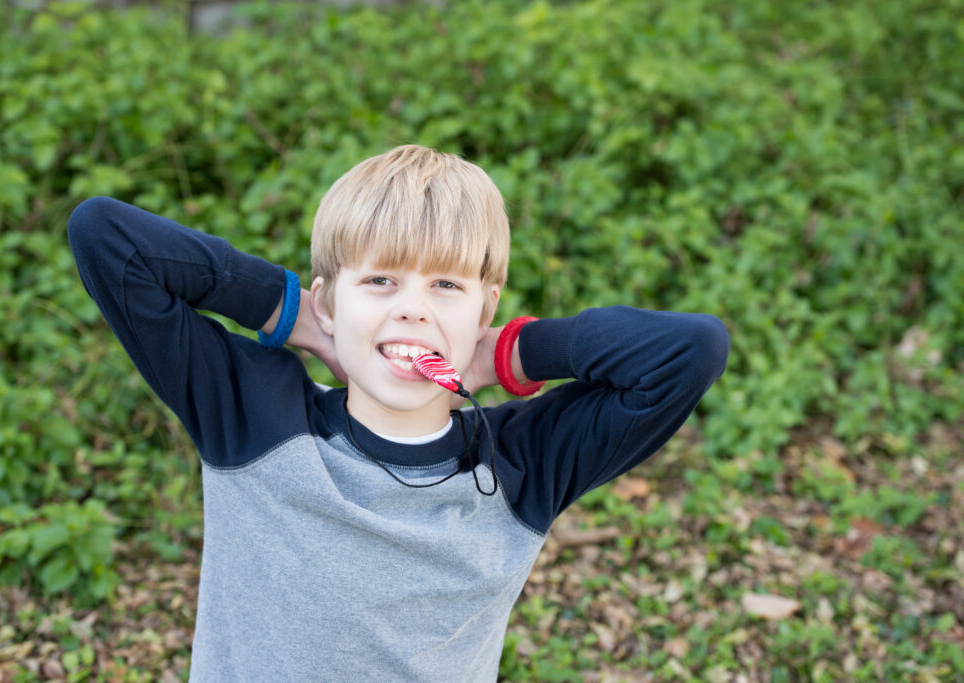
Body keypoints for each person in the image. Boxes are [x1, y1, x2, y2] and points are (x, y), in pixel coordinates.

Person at [67, 144, 729, 681]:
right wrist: (296, 315)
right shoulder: (253, 414)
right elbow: (108, 237)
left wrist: (506, 353)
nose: (413, 307)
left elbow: (688, 350)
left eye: (445, 285)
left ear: (484, 307)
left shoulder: (520, 464)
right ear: (333, 300)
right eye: (380, 280)